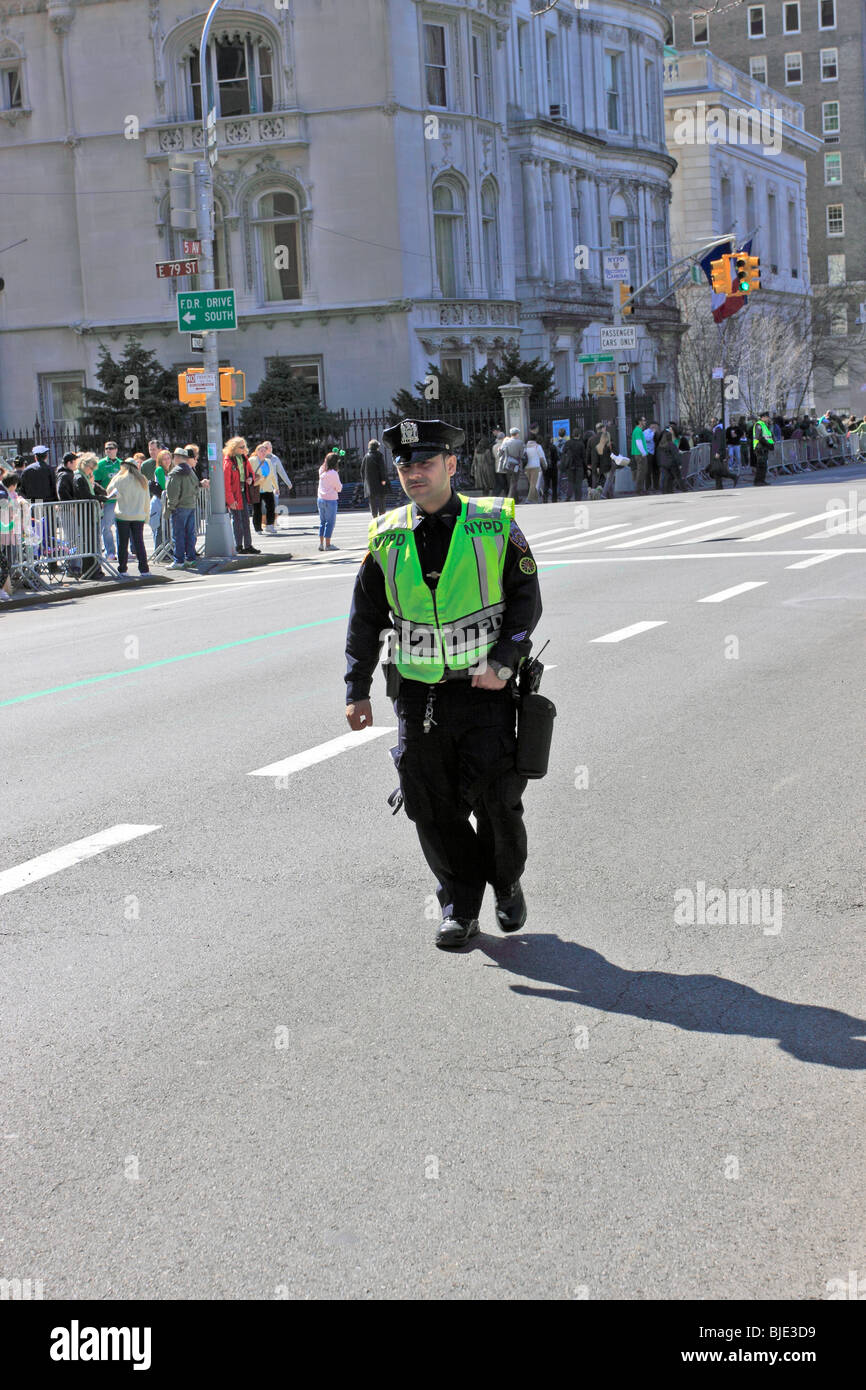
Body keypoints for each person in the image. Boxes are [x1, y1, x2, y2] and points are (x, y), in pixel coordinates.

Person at [344, 417, 543, 951]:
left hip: (487, 693)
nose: (413, 473)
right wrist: (356, 688)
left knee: (499, 803)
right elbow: (366, 618)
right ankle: (459, 905)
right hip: (418, 695)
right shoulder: (386, 535)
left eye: (425, 463)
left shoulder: (493, 524)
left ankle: (505, 882)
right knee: (430, 807)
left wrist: (503, 663)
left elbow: (527, 600)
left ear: (451, 466)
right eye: (405, 464)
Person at [106, 458, 150, 577]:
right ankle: (144, 569)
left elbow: (109, 492)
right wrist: (146, 516)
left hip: (122, 515)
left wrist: (118, 474)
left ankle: (123, 569)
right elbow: (147, 500)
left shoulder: (119, 479)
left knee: (122, 543)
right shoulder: (143, 480)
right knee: (139, 542)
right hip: (138, 515)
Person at [71, 453, 109, 579]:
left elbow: (95, 492)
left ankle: (94, 570)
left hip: (90, 514)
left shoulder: (84, 477)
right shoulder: (79, 477)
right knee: (89, 544)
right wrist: (101, 498)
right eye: (91, 468)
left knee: (93, 544)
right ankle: (91, 571)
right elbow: (85, 495)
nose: (92, 471)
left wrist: (100, 494)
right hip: (86, 515)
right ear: (84, 465)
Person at [223, 436, 259, 555]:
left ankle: (248, 545)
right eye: (242, 447)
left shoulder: (244, 458)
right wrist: (230, 500)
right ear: (234, 448)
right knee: (237, 520)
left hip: (243, 493)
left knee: (245, 520)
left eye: (245, 446)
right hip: (234, 494)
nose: (245, 449)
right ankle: (238, 545)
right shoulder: (228, 462)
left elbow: (251, 473)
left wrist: (250, 478)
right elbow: (226, 484)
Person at [165, 445, 199, 569]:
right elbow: (196, 486)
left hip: (179, 507)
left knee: (178, 534)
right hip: (190, 505)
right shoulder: (190, 471)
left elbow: (173, 493)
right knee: (190, 533)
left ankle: (178, 560)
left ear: (177, 458)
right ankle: (190, 558)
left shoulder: (175, 472)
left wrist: (171, 507)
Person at [251, 441, 288, 533]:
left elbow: (272, 476)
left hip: (268, 488)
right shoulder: (252, 460)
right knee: (257, 509)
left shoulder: (268, 462)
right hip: (257, 488)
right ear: (257, 452)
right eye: (261, 451)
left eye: (264, 451)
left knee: (271, 507)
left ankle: (270, 525)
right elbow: (248, 472)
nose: (263, 452)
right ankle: (258, 528)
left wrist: (276, 487)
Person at [94, 441, 122, 560]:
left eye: (111, 448)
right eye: (106, 449)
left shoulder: (122, 464)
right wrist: (101, 500)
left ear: (116, 449)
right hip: (108, 501)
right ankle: (110, 552)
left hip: (121, 500)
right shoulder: (100, 464)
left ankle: (123, 551)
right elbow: (97, 483)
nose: (109, 450)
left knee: (121, 527)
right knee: (106, 527)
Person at [317, 450, 343, 550]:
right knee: (330, 523)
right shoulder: (333, 473)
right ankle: (328, 544)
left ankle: (321, 544)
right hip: (331, 500)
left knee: (322, 522)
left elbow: (324, 464)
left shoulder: (321, 470)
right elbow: (339, 487)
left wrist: (329, 458)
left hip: (320, 499)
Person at [362, 438, 390, 517]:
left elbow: (362, 470)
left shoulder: (366, 456)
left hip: (370, 482)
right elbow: (382, 468)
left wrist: (365, 481)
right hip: (379, 481)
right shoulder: (379, 455)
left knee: (372, 500)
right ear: (377, 447)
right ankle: (382, 514)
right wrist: (383, 479)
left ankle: (374, 516)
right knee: (381, 498)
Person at [656, 429, 681, 494]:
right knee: (672, 477)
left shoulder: (660, 445)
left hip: (662, 464)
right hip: (671, 463)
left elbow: (658, 455)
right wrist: (679, 463)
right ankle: (670, 489)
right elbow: (676, 454)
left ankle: (663, 490)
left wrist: (659, 463)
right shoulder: (671, 444)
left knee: (664, 477)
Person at [752, 413, 774, 486]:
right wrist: (768, 444)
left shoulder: (765, 425)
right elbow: (759, 437)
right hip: (760, 447)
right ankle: (758, 481)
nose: (768, 419)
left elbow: (768, 436)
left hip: (764, 447)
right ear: (763, 417)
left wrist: (771, 444)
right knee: (761, 465)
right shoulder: (759, 424)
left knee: (763, 465)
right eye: (767, 417)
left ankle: (762, 480)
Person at [523, 433, 545, 503]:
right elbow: (542, 457)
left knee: (532, 483)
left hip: (527, 467)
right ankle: (528, 499)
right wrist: (545, 465)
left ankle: (536, 499)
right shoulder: (537, 446)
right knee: (533, 484)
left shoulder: (525, 447)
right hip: (535, 467)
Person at [631, 416, 649, 494]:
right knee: (641, 472)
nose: (645, 422)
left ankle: (640, 489)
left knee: (641, 472)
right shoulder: (638, 430)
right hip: (640, 454)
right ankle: (639, 490)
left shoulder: (637, 430)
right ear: (639, 422)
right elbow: (639, 442)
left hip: (638, 454)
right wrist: (643, 453)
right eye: (643, 420)